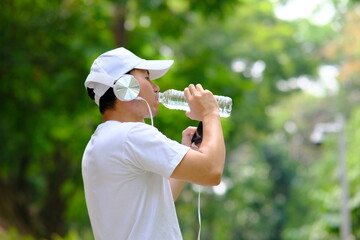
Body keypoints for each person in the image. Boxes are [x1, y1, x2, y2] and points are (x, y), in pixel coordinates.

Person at [82, 47, 226, 240]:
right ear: (126, 86)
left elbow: (160, 200)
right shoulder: (132, 135)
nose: (156, 87)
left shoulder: (101, 140)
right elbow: (211, 171)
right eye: (147, 78)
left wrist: (186, 150)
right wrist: (211, 113)